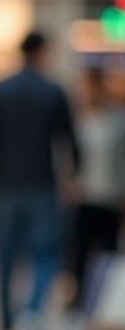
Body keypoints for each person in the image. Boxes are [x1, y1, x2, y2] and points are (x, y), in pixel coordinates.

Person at [0, 30, 79, 330]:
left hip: (6, 185)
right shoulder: (53, 91)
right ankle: (31, 311)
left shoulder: (1, 90)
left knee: (5, 253)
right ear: (43, 52)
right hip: (41, 183)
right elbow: (68, 141)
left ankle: (6, 325)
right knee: (45, 251)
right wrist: (73, 174)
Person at [70, 67, 125, 309]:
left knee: (110, 252)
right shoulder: (76, 121)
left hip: (110, 196)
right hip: (84, 196)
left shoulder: (117, 121)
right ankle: (82, 301)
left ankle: (109, 303)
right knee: (81, 253)